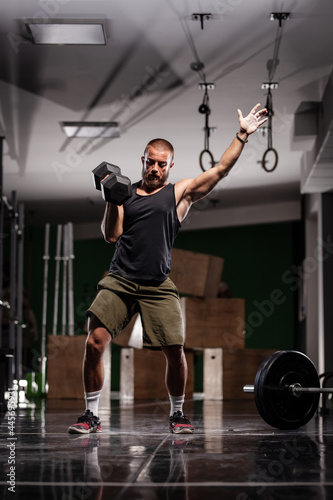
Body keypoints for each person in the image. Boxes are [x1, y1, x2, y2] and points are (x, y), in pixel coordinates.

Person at [68, 103, 268, 435]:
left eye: (162, 164)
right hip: (119, 279)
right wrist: (110, 197)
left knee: (175, 350)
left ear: (170, 165)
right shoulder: (124, 193)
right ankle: (91, 415)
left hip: (158, 283)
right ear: (142, 161)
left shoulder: (179, 194)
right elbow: (111, 235)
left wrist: (243, 134)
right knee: (93, 343)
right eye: (150, 162)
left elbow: (219, 170)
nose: (155, 168)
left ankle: (177, 414)